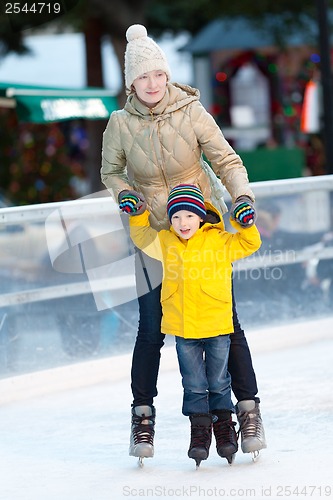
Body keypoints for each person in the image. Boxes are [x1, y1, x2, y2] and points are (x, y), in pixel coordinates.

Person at [101, 23, 267, 462]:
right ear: (131, 82)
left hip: (203, 233)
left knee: (224, 320)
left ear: (167, 75)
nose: (152, 84)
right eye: (142, 77)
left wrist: (242, 198)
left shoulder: (192, 111)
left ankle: (246, 410)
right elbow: (110, 171)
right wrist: (126, 195)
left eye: (158, 74)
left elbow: (226, 159)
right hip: (153, 237)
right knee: (151, 327)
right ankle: (142, 418)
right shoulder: (119, 123)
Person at [120, 184, 262, 466]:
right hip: (183, 328)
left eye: (188, 216)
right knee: (194, 384)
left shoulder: (219, 240)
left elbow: (250, 243)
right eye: (175, 217)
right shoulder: (165, 241)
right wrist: (138, 214)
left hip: (217, 325)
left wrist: (242, 221)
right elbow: (141, 236)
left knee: (220, 382)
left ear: (201, 216)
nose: (182, 223)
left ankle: (224, 431)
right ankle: (199, 433)